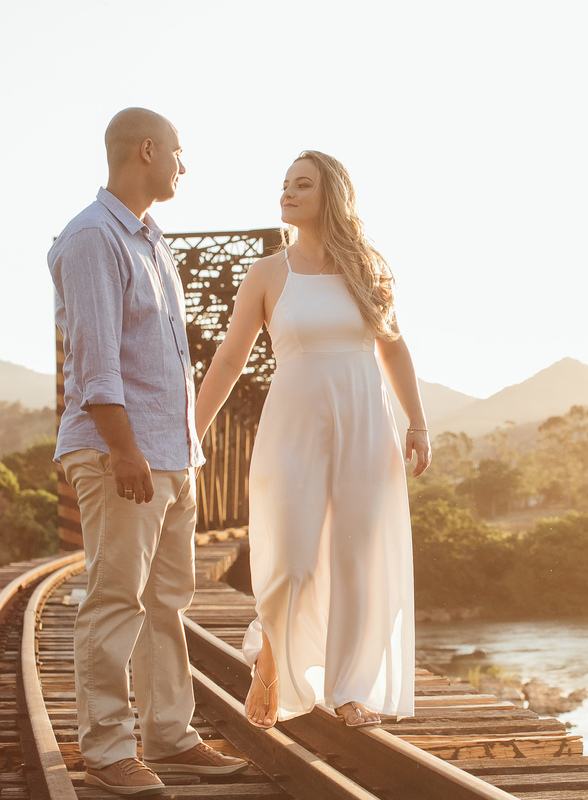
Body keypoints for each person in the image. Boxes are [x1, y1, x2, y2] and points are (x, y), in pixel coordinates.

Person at [195, 150, 430, 729]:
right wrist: (191, 432)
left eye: (303, 184)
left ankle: (350, 689)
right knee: (294, 559)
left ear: (332, 196)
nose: (288, 192)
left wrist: (417, 422)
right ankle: (271, 663)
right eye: (285, 184)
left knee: (354, 558)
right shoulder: (268, 273)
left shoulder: (368, 267)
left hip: (365, 422)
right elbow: (229, 359)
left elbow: (393, 346)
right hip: (294, 425)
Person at [49, 107, 246, 796]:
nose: (183, 168)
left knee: (166, 602)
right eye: (178, 155)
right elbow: (95, 363)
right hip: (121, 453)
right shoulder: (91, 239)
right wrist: (124, 449)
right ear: (147, 150)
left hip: (172, 453)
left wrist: (183, 450)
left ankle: (170, 733)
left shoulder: (153, 244)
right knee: (115, 598)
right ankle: (107, 750)